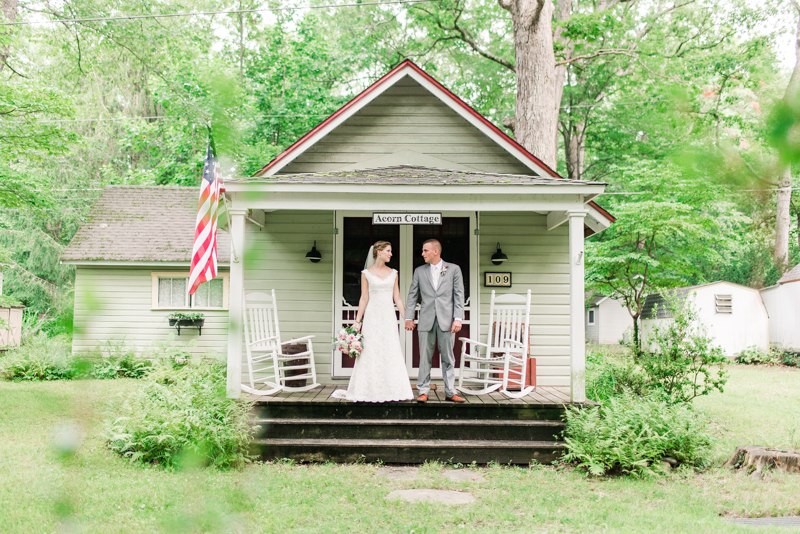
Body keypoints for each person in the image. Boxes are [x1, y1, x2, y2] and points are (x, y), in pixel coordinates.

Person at [334, 241, 414, 402]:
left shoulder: (393, 273)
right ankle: (367, 388)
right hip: (372, 317)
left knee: (390, 348)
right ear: (379, 252)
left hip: (388, 317)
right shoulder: (366, 273)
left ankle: (392, 388)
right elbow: (364, 298)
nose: (391, 254)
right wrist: (358, 321)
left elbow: (397, 297)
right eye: (388, 251)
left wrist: (407, 317)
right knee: (370, 350)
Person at [405, 239, 466, 403]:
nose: (422, 253)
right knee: (424, 357)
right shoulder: (419, 271)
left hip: (447, 320)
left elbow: (459, 295)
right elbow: (412, 295)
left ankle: (450, 391)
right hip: (426, 319)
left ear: (435, 251)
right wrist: (409, 317)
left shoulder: (453, 269)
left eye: (425, 250)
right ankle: (423, 391)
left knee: (448, 357)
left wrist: (458, 318)